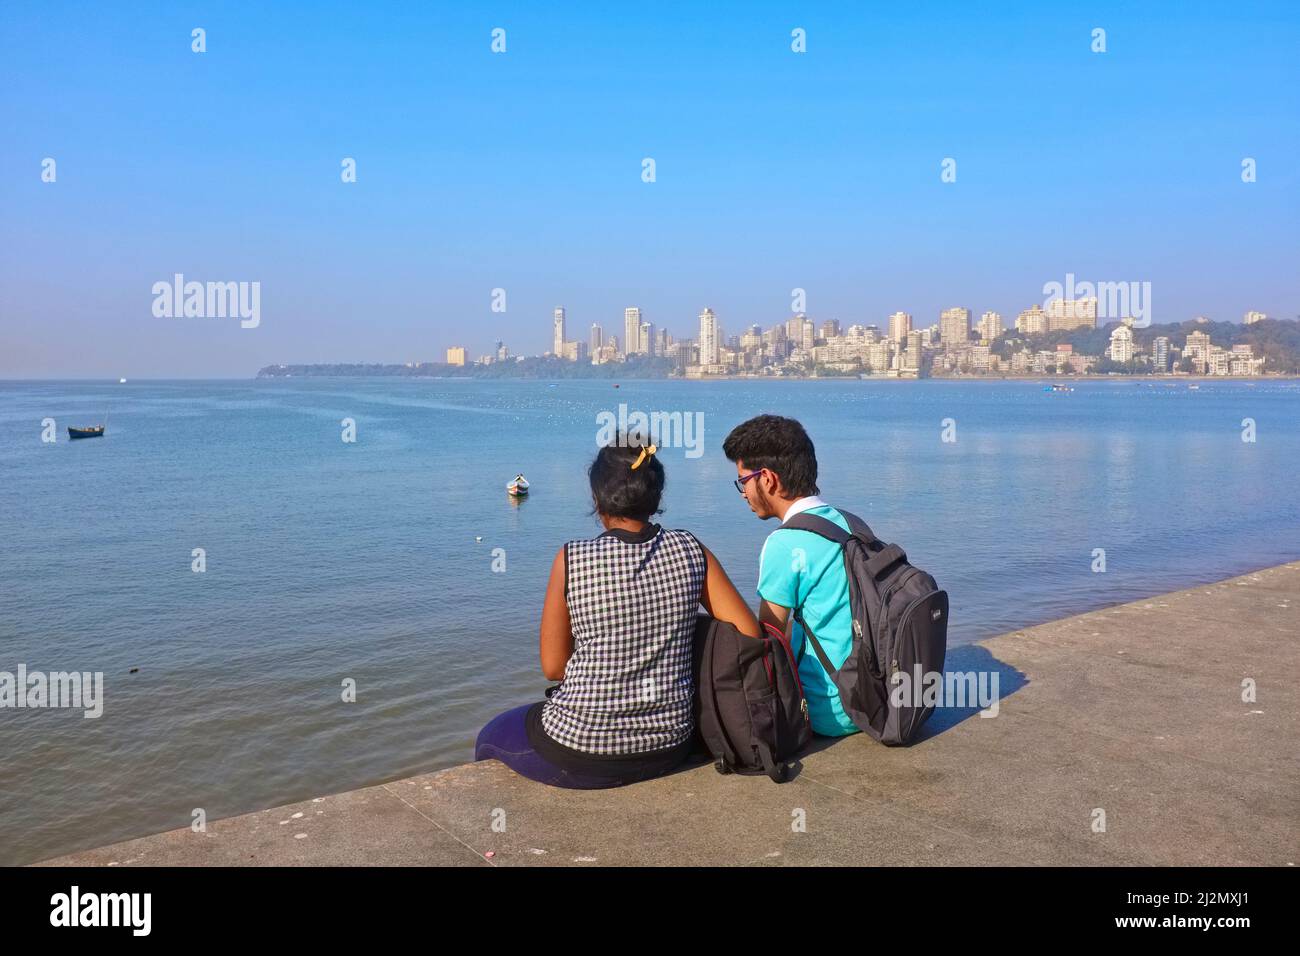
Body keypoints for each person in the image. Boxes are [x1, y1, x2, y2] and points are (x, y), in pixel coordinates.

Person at [475, 435, 759, 788]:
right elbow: (749, 633)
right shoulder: (689, 549)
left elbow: (553, 668)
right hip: (670, 744)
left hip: (581, 747)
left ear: (597, 500)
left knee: (489, 736)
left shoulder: (572, 559)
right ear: (656, 496)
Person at [722, 414, 859, 739]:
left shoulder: (783, 544)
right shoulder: (849, 524)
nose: (743, 493)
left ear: (767, 479)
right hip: (869, 699)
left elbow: (768, 640)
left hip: (828, 714)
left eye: (743, 481)